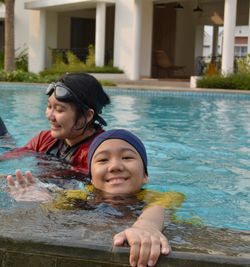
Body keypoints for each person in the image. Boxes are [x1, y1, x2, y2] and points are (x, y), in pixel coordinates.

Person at [6, 129, 185, 267]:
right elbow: (55, 215)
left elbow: (157, 210)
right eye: (103, 160)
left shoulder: (161, 197)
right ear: (91, 178)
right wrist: (42, 201)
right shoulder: (79, 195)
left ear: (145, 175)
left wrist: (146, 227)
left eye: (127, 157)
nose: (115, 166)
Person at [0, 72, 111, 174]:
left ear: (86, 116)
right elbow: (14, 155)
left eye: (59, 110)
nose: (50, 116)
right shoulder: (44, 139)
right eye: (49, 106)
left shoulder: (98, 153)